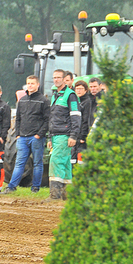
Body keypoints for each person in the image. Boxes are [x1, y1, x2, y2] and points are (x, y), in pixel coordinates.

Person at [4, 75, 50, 194]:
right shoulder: (22, 100)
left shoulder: (43, 100)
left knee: (37, 163)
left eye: (32, 83)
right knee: (20, 163)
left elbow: (47, 120)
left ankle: (35, 188)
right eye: (28, 83)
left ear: (37, 85)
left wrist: (39, 135)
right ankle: (11, 187)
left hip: (36, 138)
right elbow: (18, 118)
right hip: (22, 138)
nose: (30, 85)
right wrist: (18, 134)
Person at [48, 69, 81, 200]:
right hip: (55, 135)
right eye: (54, 77)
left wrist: (73, 136)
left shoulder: (70, 95)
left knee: (55, 161)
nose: (56, 79)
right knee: (66, 164)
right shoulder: (55, 95)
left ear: (64, 79)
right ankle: (67, 195)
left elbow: (76, 117)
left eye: (58, 77)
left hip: (64, 135)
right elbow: (52, 118)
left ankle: (55, 195)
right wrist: (50, 137)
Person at [72, 80, 93, 168]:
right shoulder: (75, 101)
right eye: (77, 89)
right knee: (72, 159)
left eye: (81, 89)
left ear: (86, 90)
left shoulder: (87, 102)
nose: (79, 91)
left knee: (81, 159)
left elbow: (85, 120)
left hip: (81, 136)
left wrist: (83, 136)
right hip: (74, 134)